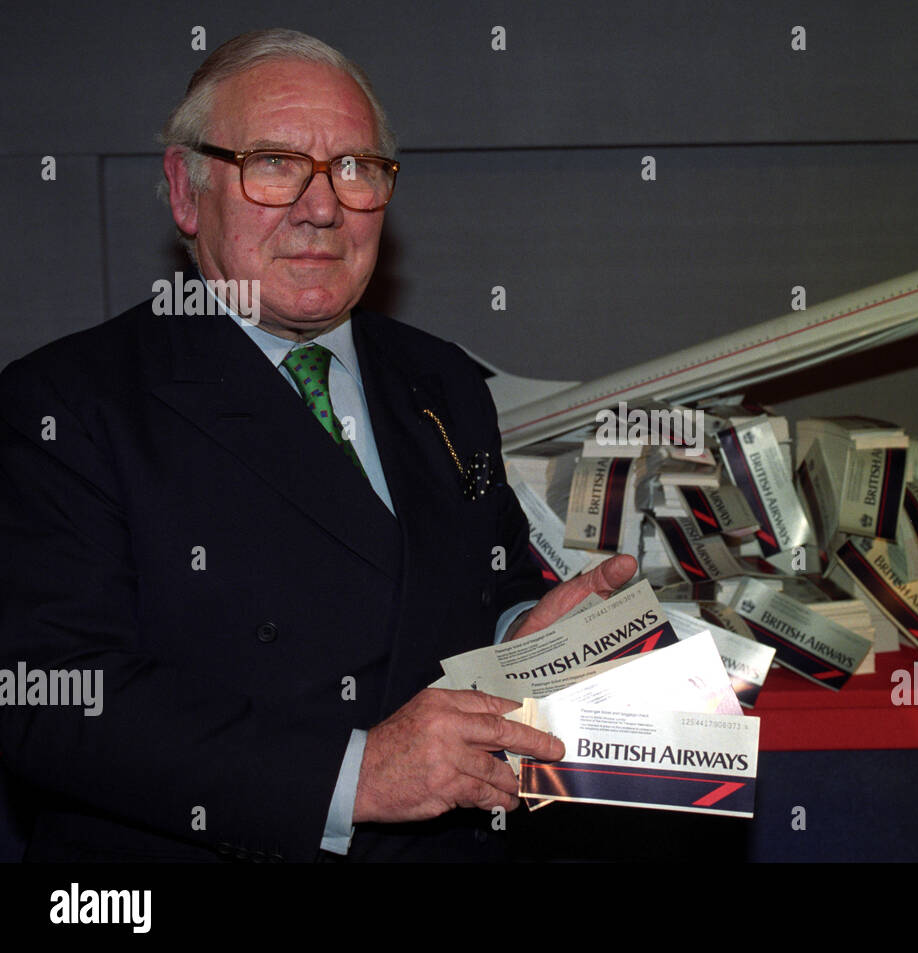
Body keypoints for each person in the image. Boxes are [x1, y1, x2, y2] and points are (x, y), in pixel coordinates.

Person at [0, 28, 635, 862]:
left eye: (355, 168)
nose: (322, 205)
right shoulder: (65, 406)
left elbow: (492, 582)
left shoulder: (440, 381)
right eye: (273, 162)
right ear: (186, 195)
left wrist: (535, 637)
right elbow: (52, 698)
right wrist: (354, 775)